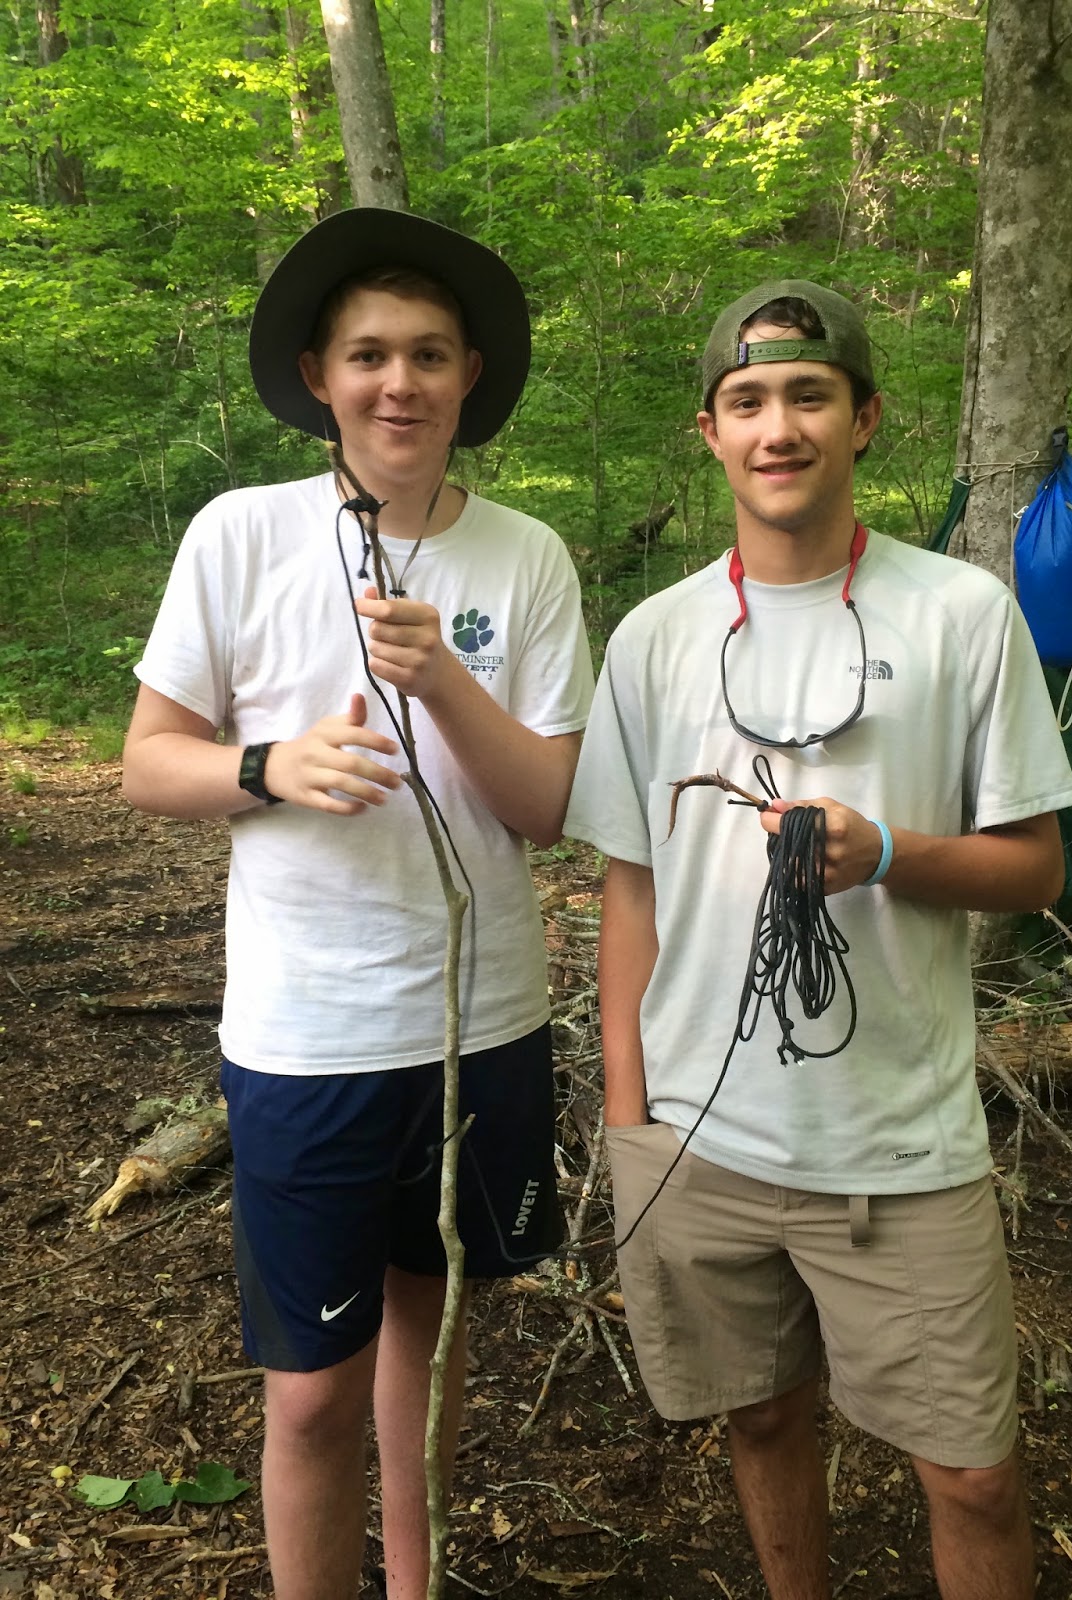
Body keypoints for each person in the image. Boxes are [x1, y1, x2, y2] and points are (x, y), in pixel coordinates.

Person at [564, 279, 1072, 1600]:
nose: (778, 426)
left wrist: (890, 853)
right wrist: (629, 1118)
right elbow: (632, 885)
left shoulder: (962, 614)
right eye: (748, 401)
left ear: (866, 418)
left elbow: (1036, 869)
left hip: (900, 1147)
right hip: (699, 1135)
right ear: (711, 431)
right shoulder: (655, 638)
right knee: (760, 1417)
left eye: (809, 395)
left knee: (973, 1474)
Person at [123, 208, 593, 1600]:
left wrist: (444, 680)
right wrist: (267, 766)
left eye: (431, 355)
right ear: (319, 377)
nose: (401, 383)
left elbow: (549, 808)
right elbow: (147, 764)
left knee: (429, 1351)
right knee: (313, 1393)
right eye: (370, 355)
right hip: (309, 1034)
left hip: (482, 1022)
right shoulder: (240, 534)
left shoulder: (527, 557)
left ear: (469, 379)